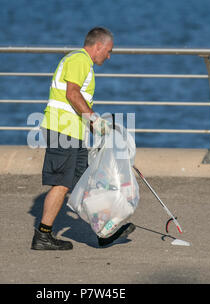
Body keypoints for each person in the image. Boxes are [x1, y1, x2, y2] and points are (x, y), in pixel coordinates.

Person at [31, 27, 136, 250]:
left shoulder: (83, 63)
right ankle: (43, 235)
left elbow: (75, 99)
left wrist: (95, 126)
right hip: (63, 130)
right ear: (98, 46)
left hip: (73, 131)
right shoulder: (79, 60)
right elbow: (72, 93)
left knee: (85, 182)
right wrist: (94, 119)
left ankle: (104, 232)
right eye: (108, 51)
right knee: (62, 182)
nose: (108, 56)